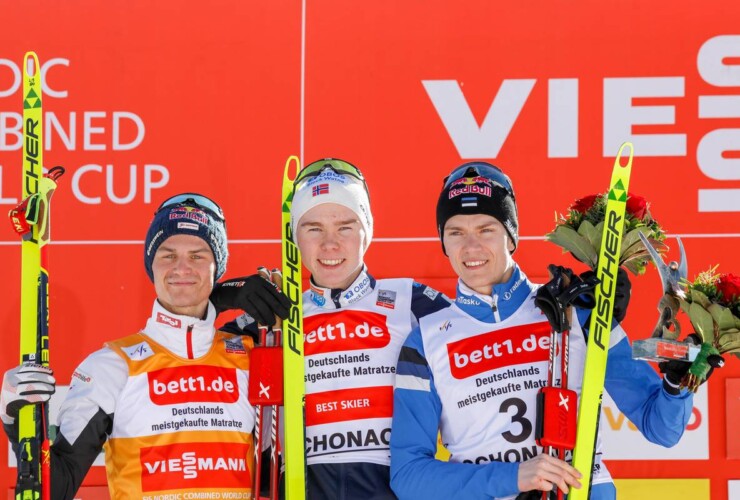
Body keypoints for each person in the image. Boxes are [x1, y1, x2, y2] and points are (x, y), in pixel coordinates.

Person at [390, 162, 699, 500]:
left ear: (511, 236)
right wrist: (515, 476)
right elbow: (409, 477)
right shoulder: (427, 340)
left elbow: (661, 428)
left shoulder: (576, 309)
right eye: (456, 232)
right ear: (443, 243)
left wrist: (677, 384)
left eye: (486, 229)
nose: (471, 247)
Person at [1, 193, 290, 499]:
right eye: (167, 255)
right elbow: (55, 488)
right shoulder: (110, 367)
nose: (181, 268)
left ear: (217, 267)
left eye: (197, 255)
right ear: (151, 265)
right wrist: (15, 419)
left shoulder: (251, 354)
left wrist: (230, 297)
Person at [216, 158, 451, 499]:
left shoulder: (411, 301)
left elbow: (486, 328)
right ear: (294, 235)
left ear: (366, 230)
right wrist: (224, 295)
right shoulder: (279, 315)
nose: (330, 245)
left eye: (345, 227)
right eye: (313, 228)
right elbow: (189, 349)